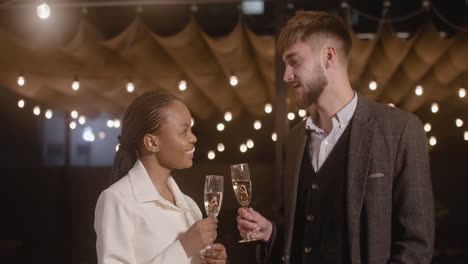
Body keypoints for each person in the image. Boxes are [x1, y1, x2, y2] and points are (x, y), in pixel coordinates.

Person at [237, 10, 434, 264]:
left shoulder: (401, 129)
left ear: (328, 56)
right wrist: (270, 232)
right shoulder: (295, 138)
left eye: (294, 61)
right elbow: (298, 231)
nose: (286, 75)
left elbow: (416, 247)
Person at [94, 91, 227, 264]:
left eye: (191, 130)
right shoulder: (117, 199)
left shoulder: (189, 205)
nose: (193, 138)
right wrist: (184, 247)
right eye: (183, 131)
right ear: (152, 143)